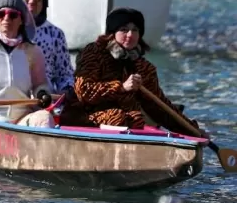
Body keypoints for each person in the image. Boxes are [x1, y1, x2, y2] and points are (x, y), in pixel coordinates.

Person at [61, 8, 198, 133]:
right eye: (124, 30)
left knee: (135, 118)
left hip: (126, 123)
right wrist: (121, 87)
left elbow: (158, 105)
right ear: (113, 33)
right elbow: (83, 91)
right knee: (119, 117)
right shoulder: (93, 53)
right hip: (83, 117)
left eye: (135, 30)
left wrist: (191, 129)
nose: (130, 35)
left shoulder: (143, 67)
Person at [16, 0, 75, 93]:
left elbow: (65, 75)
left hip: (45, 99)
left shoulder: (55, 34)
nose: (31, 2)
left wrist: (67, 89)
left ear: (44, 3)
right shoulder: (10, 31)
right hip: (15, 99)